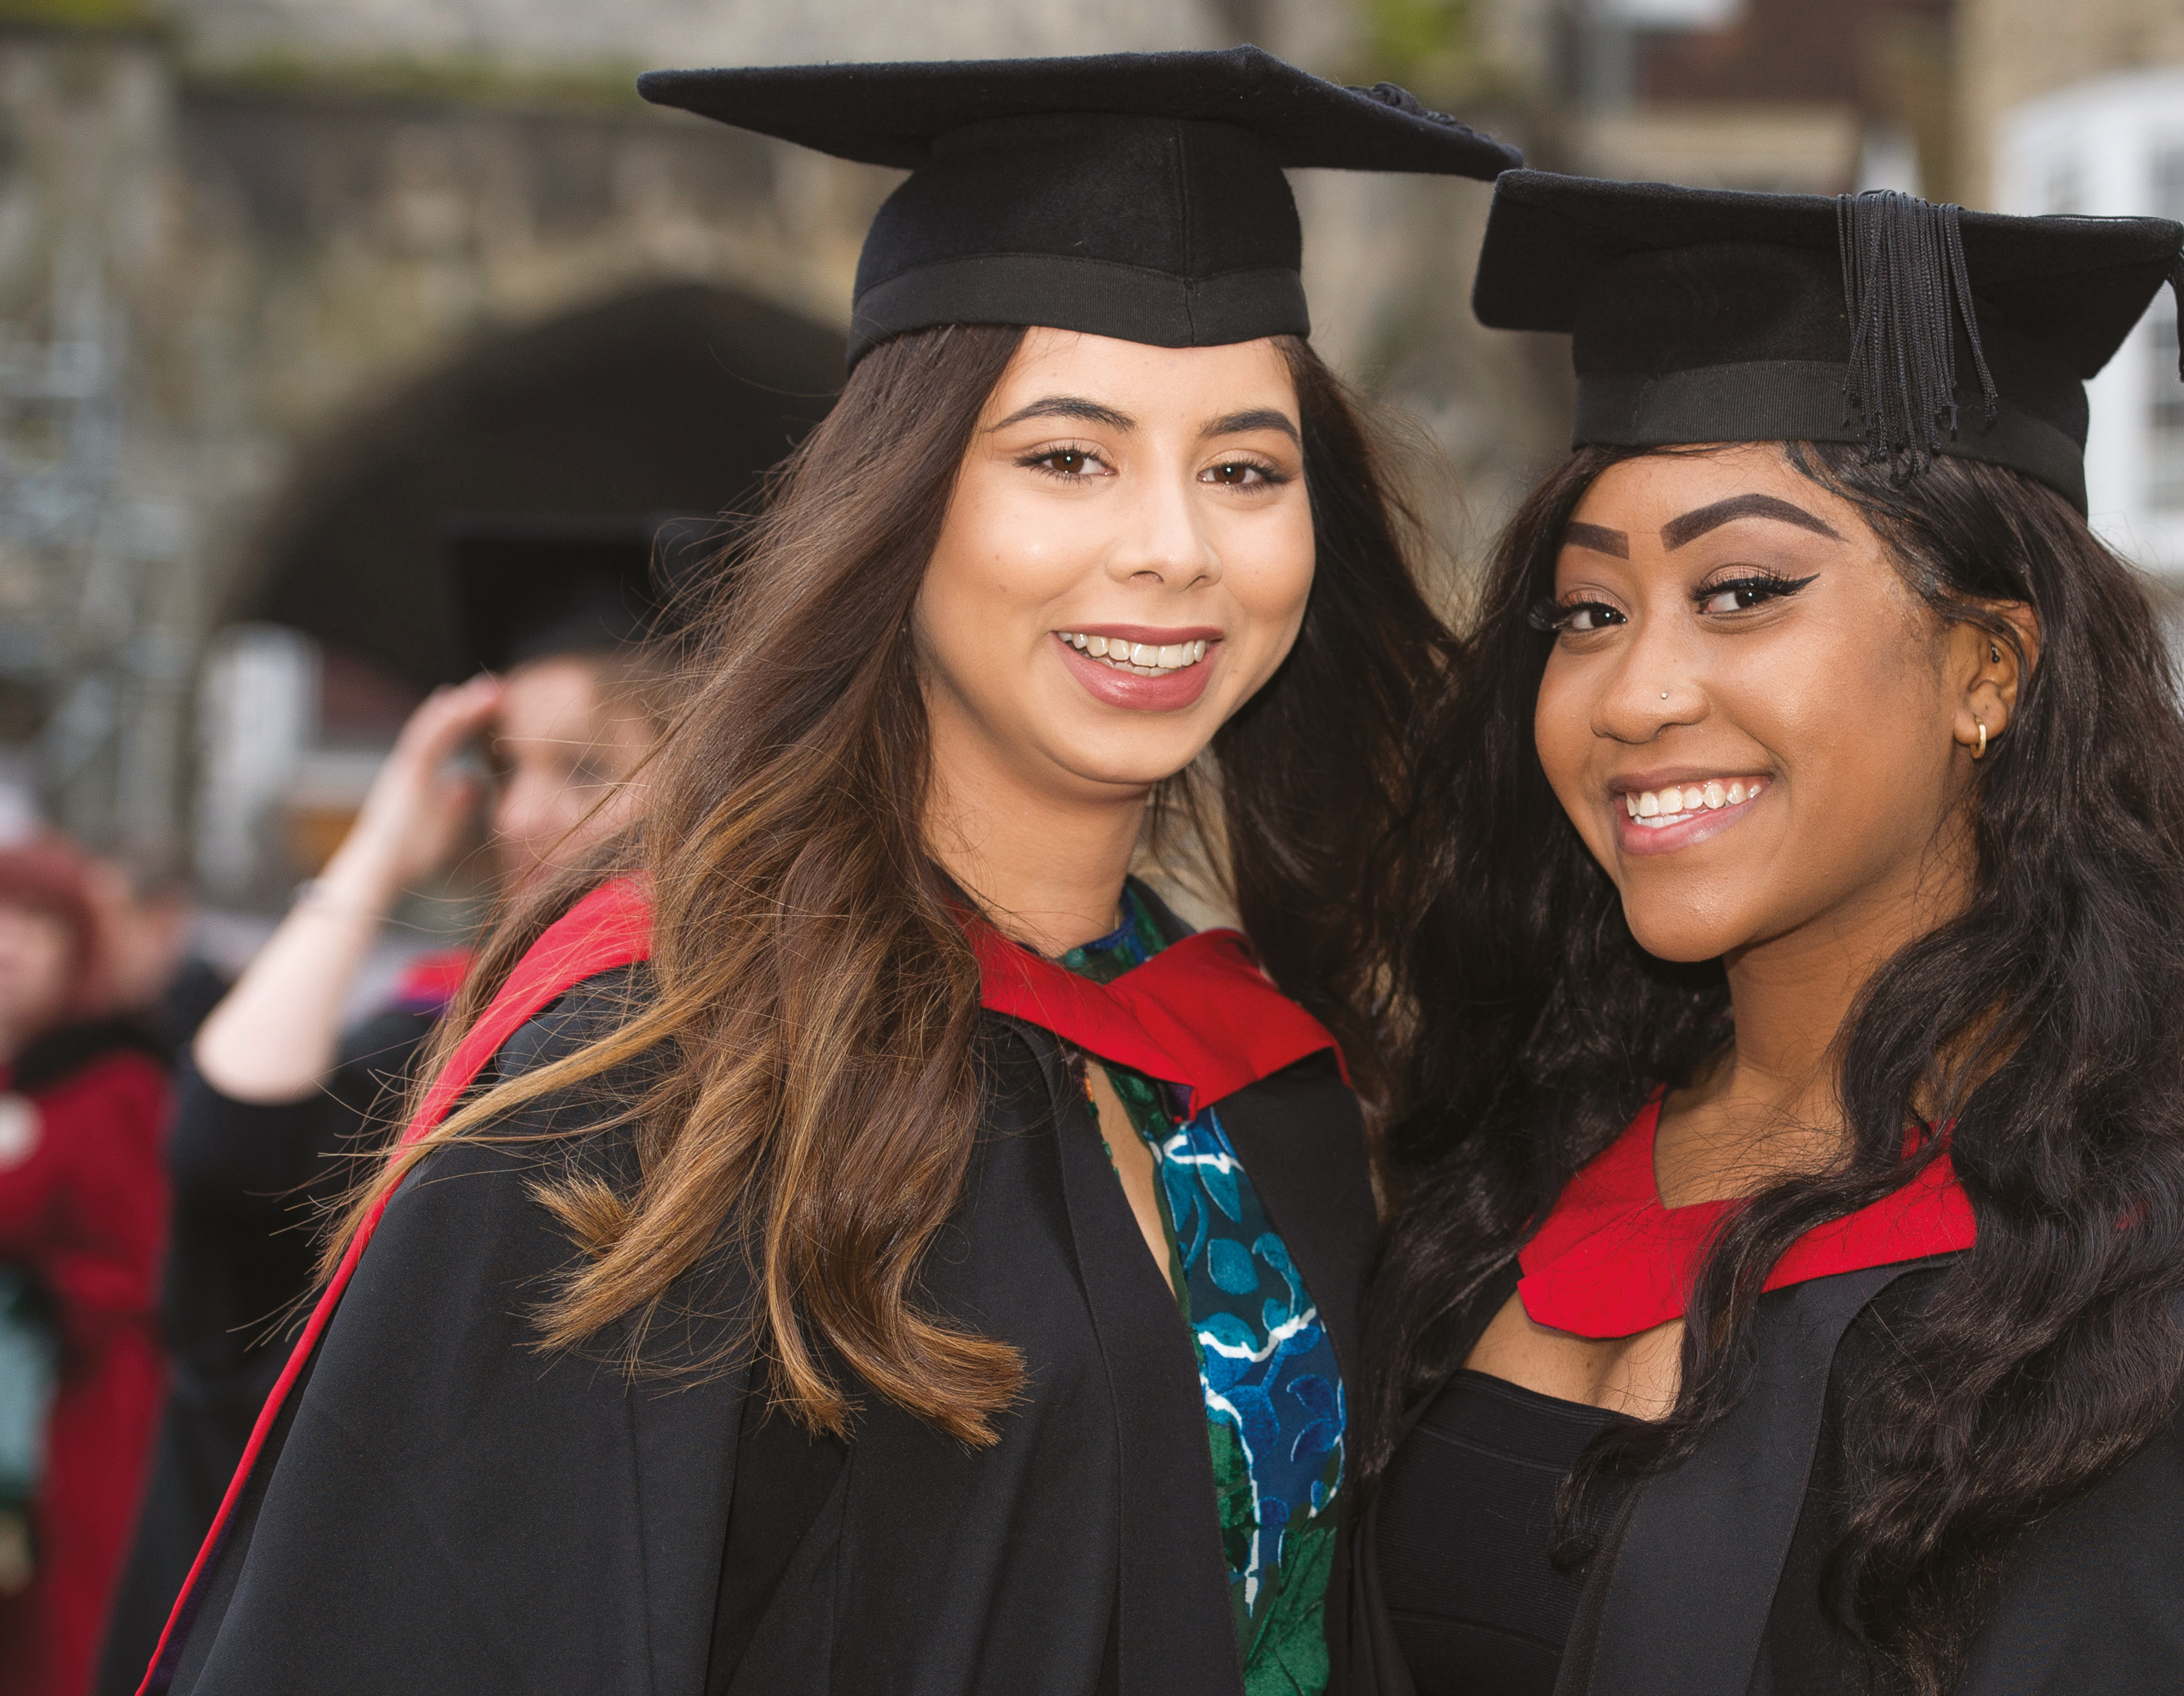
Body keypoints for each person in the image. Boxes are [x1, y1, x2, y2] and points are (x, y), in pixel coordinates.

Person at [132, 47, 1512, 1696]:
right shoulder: (660, 1065)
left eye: (1244, 468)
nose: (1176, 546)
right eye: (1066, 456)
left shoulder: (1266, 1084)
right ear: (903, 504)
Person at [1337, 173, 2184, 1696]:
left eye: (1739, 592)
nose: (1632, 693)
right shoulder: (1496, 1188)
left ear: (1985, 666)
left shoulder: (2128, 1354)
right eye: (1586, 614)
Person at [93, 517, 688, 1696]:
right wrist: (379, 846)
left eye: (582, 767)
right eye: (504, 767)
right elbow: (223, 1144)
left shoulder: (751, 1058)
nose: (520, 813)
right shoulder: (436, 1043)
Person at [0, 837, 170, 1696]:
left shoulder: (113, 1085)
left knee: (62, 1648)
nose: (8, 941)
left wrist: (42, 1294)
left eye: (36, 919)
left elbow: (146, 1275)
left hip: (78, 1419)